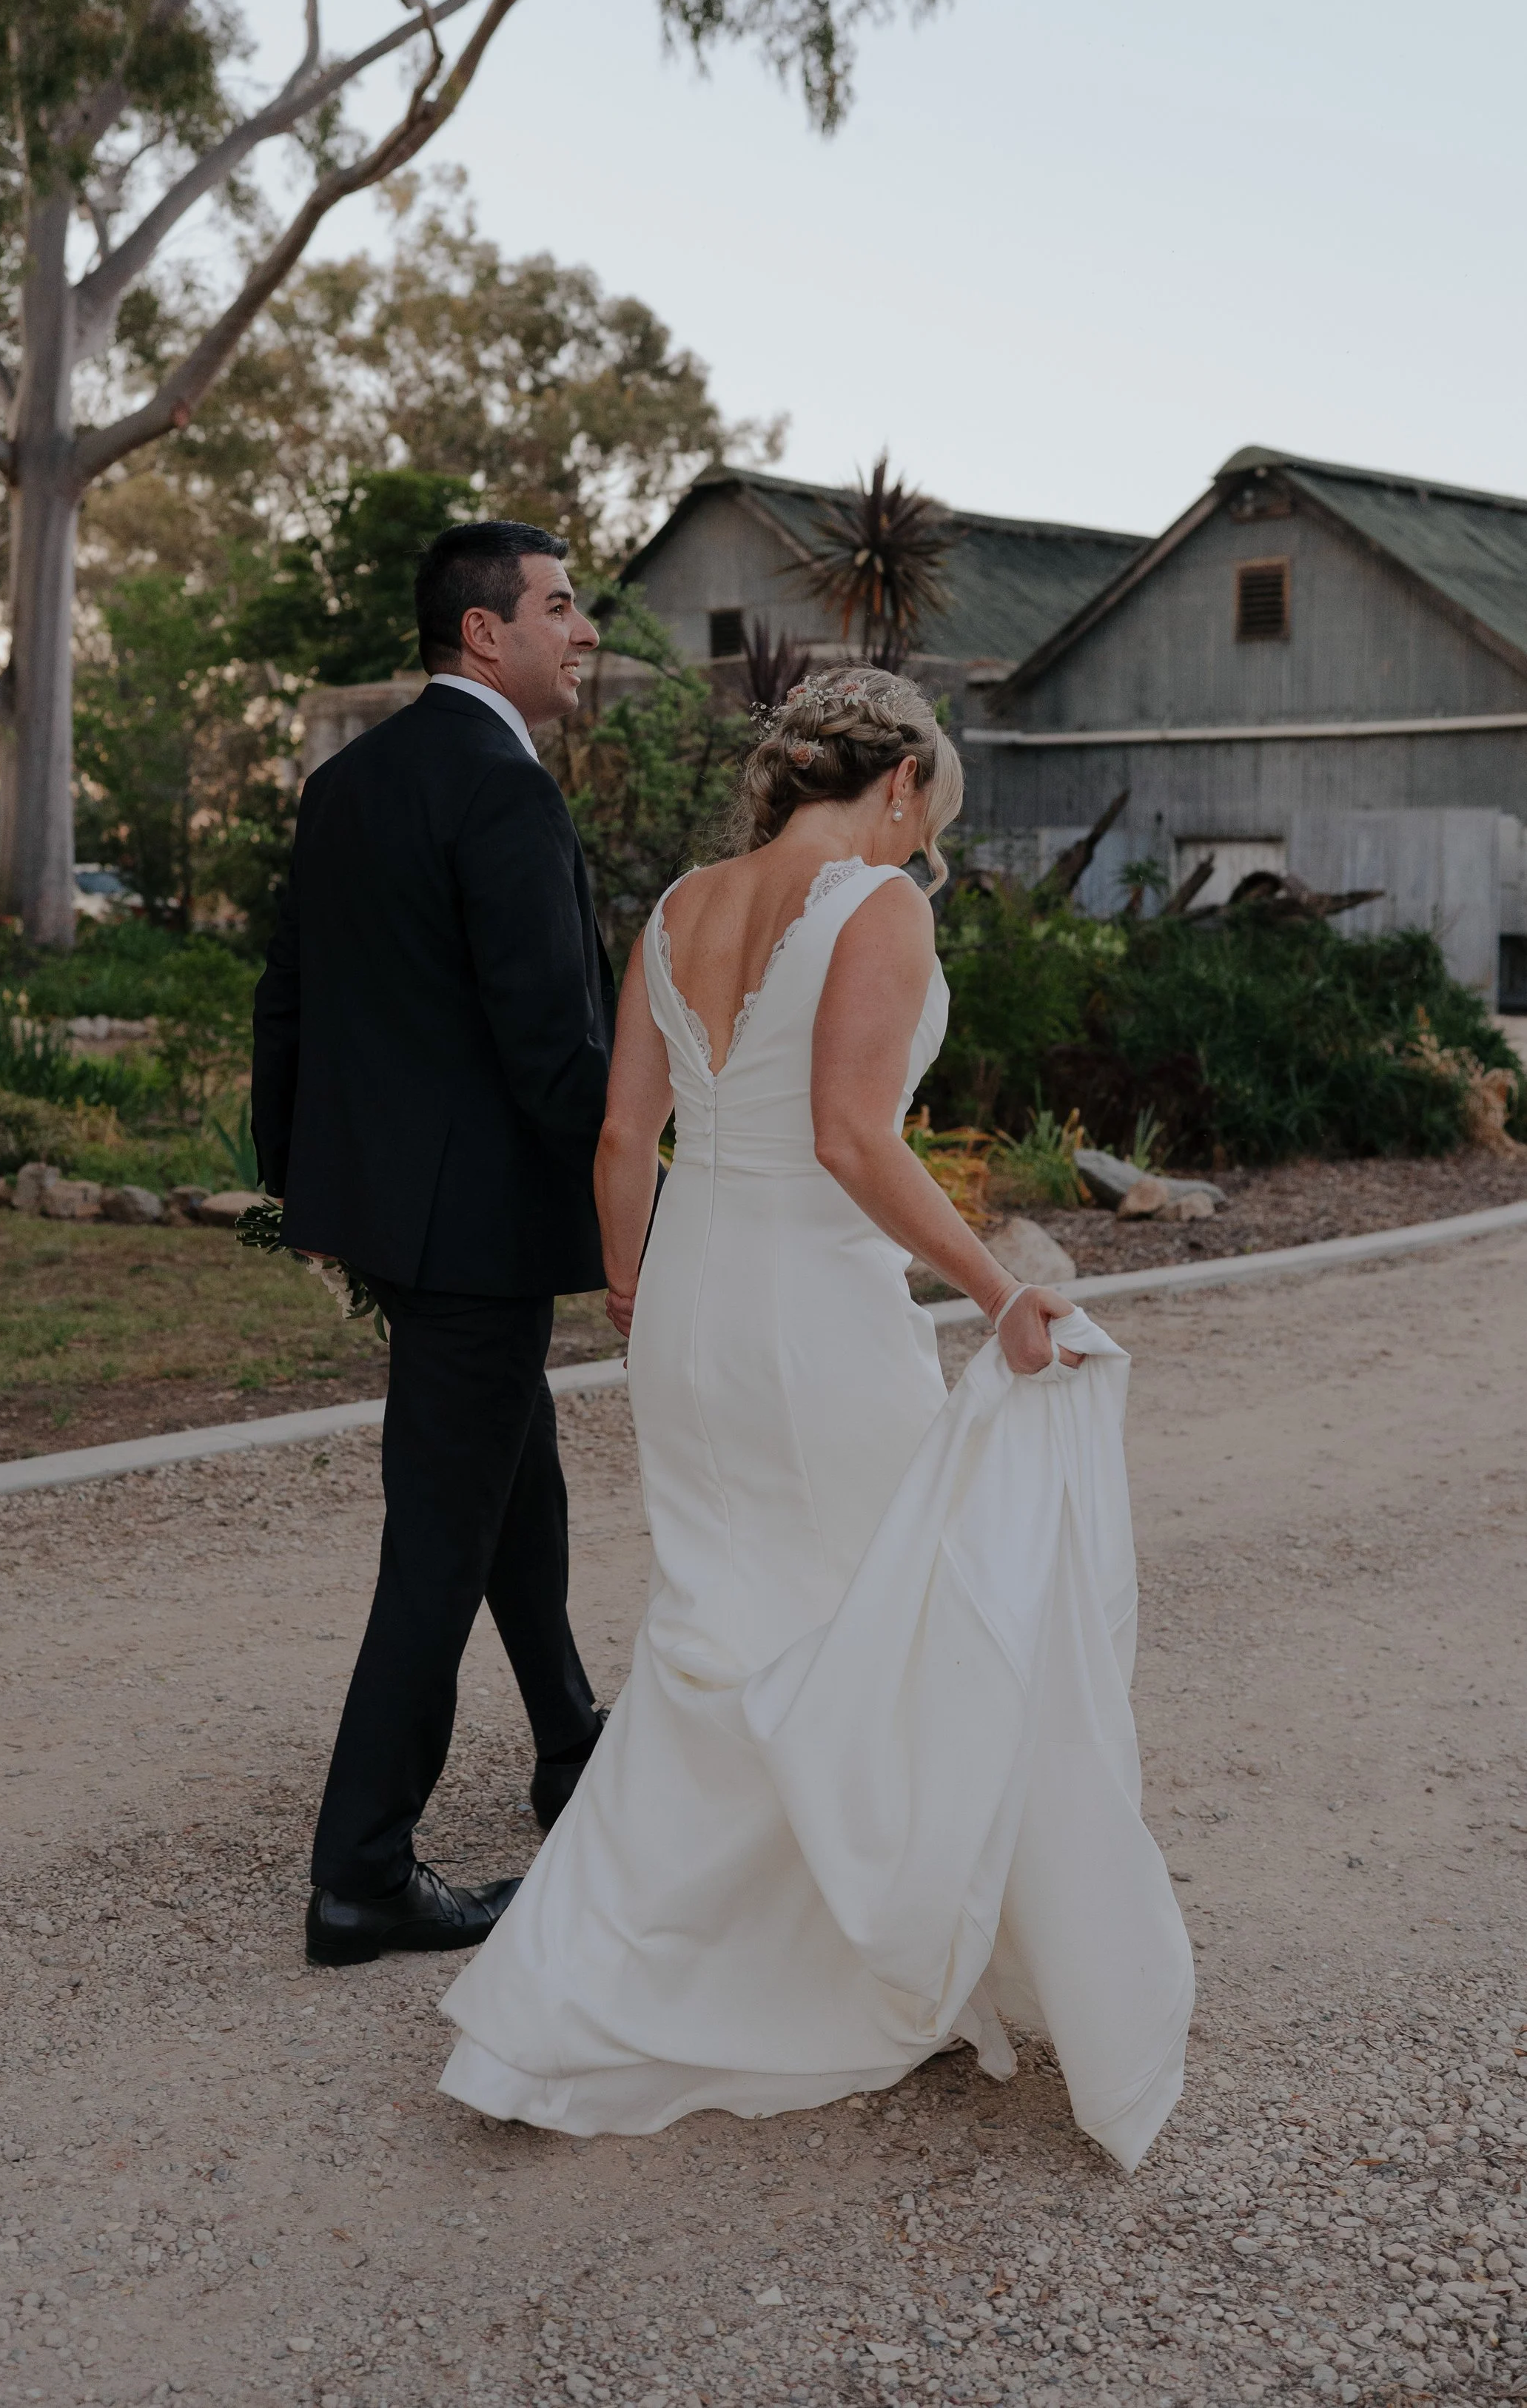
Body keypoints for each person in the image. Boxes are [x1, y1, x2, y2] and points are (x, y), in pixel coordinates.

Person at [439, 668, 1193, 2168]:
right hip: (813, 1319)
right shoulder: (874, 906)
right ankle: (820, 1953)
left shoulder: (675, 908)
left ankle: (602, 1976)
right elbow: (849, 1139)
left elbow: (619, 1132)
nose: (923, 854)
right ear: (899, 782)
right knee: (869, 1621)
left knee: (719, 1623)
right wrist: (995, 1290)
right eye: (931, 820)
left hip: (692, 1300)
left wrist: (629, 1282)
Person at [251, 519, 615, 1968]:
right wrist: (659, 1166)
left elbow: (287, 996)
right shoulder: (502, 794)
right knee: (440, 1541)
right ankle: (362, 1873)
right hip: (475, 1231)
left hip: (396, 1220)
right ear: (484, 633)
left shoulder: (350, 781)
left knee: (507, 1471)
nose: (584, 631)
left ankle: (568, 1745)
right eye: (562, 606)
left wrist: (304, 1191)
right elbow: (552, 1050)